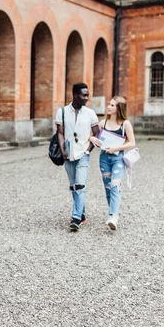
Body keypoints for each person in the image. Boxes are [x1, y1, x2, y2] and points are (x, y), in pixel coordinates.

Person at [55, 83, 100, 231]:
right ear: (75, 95)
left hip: (83, 154)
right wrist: (63, 150)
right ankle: (82, 213)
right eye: (84, 95)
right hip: (68, 155)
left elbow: (97, 133)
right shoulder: (61, 112)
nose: (86, 98)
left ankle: (75, 218)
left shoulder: (90, 113)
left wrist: (88, 150)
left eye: (87, 95)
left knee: (80, 186)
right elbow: (60, 133)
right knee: (74, 187)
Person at [90, 96, 136, 230]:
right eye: (109, 104)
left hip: (118, 159)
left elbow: (132, 142)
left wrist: (116, 148)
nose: (108, 107)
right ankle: (113, 212)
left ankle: (113, 216)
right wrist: (92, 138)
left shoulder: (125, 124)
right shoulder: (102, 123)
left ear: (118, 109)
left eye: (112, 105)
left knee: (115, 185)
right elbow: (89, 135)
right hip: (104, 158)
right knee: (108, 188)